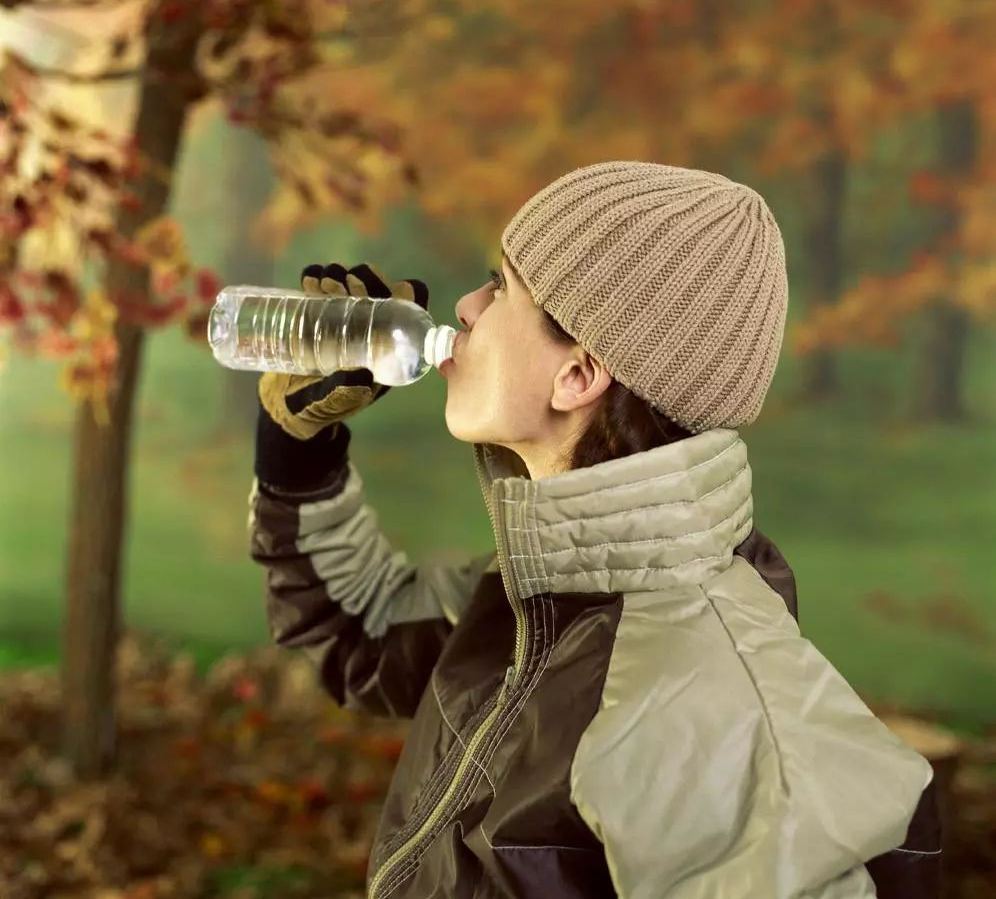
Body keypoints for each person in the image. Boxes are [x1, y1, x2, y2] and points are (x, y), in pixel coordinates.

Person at [248, 161, 941, 898]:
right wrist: (295, 449)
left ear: (578, 375)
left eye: (500, 285)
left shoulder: (708, 705)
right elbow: (365, 630)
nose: (466, 306)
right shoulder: (551, 587)